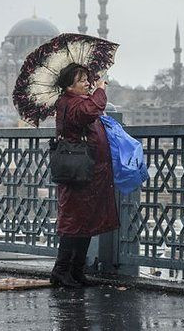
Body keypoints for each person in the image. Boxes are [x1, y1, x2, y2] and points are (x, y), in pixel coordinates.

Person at [50, 63, 119, 287]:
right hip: (78, 172)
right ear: (69, 85)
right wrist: (100, 90)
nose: (87, 83)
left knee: (86, 221)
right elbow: (90, 111)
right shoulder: (71, 103)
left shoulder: (77, 101)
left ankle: (77, 271)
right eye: (82, 80)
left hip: (91, 173)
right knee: (74, 221)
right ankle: (61, 271)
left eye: (87, 79)